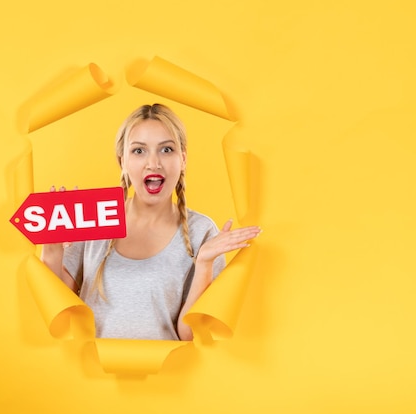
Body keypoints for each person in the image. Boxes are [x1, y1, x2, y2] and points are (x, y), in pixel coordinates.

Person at [41, 103, 261, 341]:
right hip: (92, 373)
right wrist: (51, 249)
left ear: (183, 160)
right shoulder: (94, 217)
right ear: (122, 161)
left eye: (166, 150)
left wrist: (204, 264)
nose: (153, 163)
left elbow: (189, 334)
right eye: (139, 151)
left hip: (167, 375)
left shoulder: (202, 232)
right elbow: (61, 313)